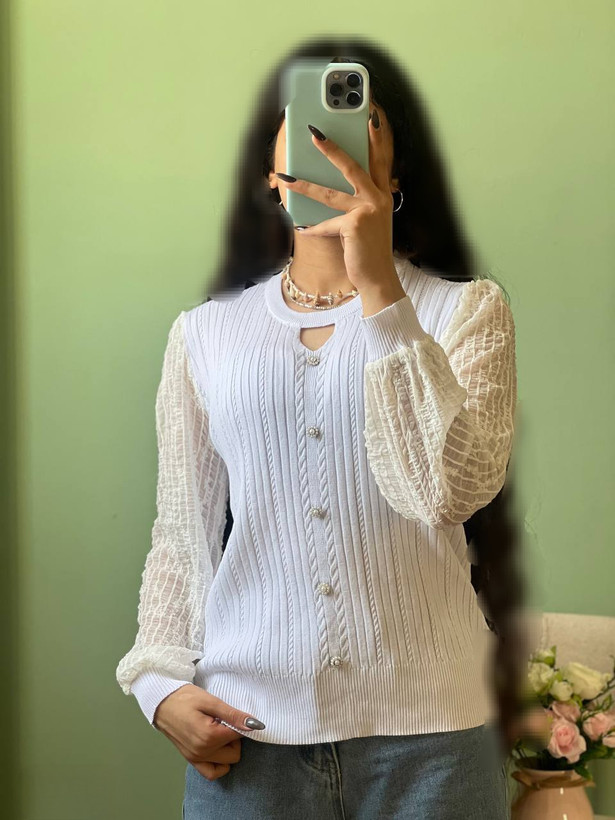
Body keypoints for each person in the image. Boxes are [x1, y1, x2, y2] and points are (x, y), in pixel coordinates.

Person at [116, 36, 528, 819]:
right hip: (246, 733)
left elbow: (446, 492)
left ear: (395, 174)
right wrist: (157, 684)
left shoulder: (466, 311)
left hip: (434, 743)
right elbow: (182, 531)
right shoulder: (203, 335)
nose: (326, 144)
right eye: (302, 130)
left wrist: (378, 291)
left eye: (354, 126)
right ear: (271, 179)